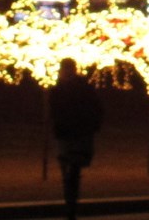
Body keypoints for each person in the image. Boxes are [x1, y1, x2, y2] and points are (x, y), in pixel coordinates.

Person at [50, 58, 103, 220]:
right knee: (71, 172)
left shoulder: (63, 88)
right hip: (72, 134)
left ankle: (70, 206)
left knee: (70, 171)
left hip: (73, 135)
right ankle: (71, 205)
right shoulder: (81, 87)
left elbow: (55, 110)